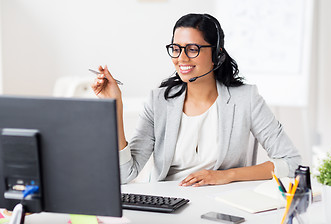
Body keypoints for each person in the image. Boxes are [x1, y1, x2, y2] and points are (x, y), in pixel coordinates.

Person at [91, 13, 301, 187]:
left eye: (192, 49)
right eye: (176, 48)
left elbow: (292, 163)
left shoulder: (246, 99)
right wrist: (114, 106)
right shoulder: (158, 102)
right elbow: (125, 174)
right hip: (167, 206)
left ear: (217, 55)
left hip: (221, 205)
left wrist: (226, 175)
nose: (181, 58)